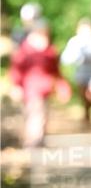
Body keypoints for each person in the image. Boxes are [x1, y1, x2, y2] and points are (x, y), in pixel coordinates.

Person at [9, 18, 71, 147]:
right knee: (35, 113)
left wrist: (63, 87)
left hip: (46, 90)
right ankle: (33, 142)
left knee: (42, 114)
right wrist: (16, 86)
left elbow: (56, 71)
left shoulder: (49, 51)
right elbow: (16, 70)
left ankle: (38, 140)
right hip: (31, 90)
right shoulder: (25, 51)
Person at [60, 18, 91, 127]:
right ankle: (87, 114)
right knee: (83, 95)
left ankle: (89, 111)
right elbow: (65, 58)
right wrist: (76, 57)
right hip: (81, 72)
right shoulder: (74, 42)